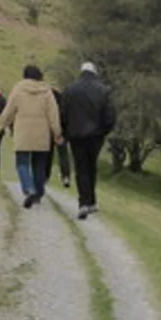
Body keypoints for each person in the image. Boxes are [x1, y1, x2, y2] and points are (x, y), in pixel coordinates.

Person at [0, 64, 62, 208]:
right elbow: (53, 115)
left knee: (22, 162)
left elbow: (9, 111)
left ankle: (28, 188)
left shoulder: (18, 90)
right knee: (39, 164)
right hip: (41, 133)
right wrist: (57, 133)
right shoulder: (47, 92)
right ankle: (38, 193)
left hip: (23, 132)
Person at [60, 61, 115, 220]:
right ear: (94, 73)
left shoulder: (70, 89)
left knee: (81, 168)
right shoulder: (103, 90)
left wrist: (65, 131)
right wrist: (103, 132)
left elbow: (63, 113)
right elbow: (110, 116)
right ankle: (91, 201)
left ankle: (83, 202)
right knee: (92, 166)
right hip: (96, 136)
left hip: (76, 135)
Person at [43, 85, 71, 190]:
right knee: (63, 154)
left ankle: (46, 176)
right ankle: (66, 176)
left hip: (49, 131)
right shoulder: (63, 102)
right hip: (61, 131)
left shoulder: (47, 102)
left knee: (48, 154)